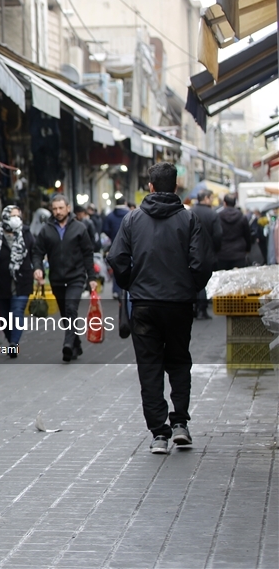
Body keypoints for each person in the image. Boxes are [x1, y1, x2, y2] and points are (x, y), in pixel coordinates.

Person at [107, 163, 213, 455]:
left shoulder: (132, 219)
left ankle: (159, 434)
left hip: (144, 304)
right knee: (179, 361)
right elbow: (202, 263)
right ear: (176, 187)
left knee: (149, 367)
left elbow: (116, 257)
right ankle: (180, 424)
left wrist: (131, 282)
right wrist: (190, 287)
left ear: (150, 186)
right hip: (179, 304)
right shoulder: (189, 219)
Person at [32, 194, 97, 362]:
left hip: (76, 276)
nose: (58, 212)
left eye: (61, 208)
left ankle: (68, 344)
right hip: (56, 278)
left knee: (71, 308)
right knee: (65, 313)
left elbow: (87, 253)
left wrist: (91, 277)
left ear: (68, 208)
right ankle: (76, 344)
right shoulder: (46, 230)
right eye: (54, 209)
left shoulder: (79, 228)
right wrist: (38, 268)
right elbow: (37, 252)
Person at [0, 205, 34, 358]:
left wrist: (38, 269)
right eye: (12, 216)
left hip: (22, 280)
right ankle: (11, 338)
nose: (16, 219)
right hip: (2, 281)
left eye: (18, 215)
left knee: (17, 311)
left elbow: (34, 253)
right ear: (5, 217)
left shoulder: (26, 233)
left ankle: (14, 343)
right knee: (4, 316)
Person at [190, 190, 222, 320]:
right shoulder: (212, 214)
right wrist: (215, 249)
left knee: (192, 279)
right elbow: (218, 234)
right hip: (207, 252)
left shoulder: (190, 212)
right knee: (203, 281)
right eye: (211, 198)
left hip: (191, 251)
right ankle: (202, 309)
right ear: (206, 198)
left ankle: (193, 307)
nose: (212, 200)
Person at [217, 193, 252, 270]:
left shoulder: (218, 217)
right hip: (239, 253)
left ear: (224, 203)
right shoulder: (242, 217)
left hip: (223, 253)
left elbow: (216, 235)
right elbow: (247, 235)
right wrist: (247, 249)